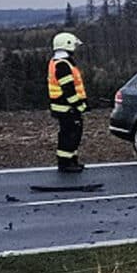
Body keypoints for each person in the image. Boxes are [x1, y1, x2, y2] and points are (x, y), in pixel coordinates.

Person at [47, 31, 87, 173]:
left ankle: (71, 160)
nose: (75, 49)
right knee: (70, 135)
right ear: (68, 45)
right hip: (67, 108)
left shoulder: (59, 63)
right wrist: (79, 105)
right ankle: (65, 164)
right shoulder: (63, 65)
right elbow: (69, 90)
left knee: (71, 134)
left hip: (64, 107)